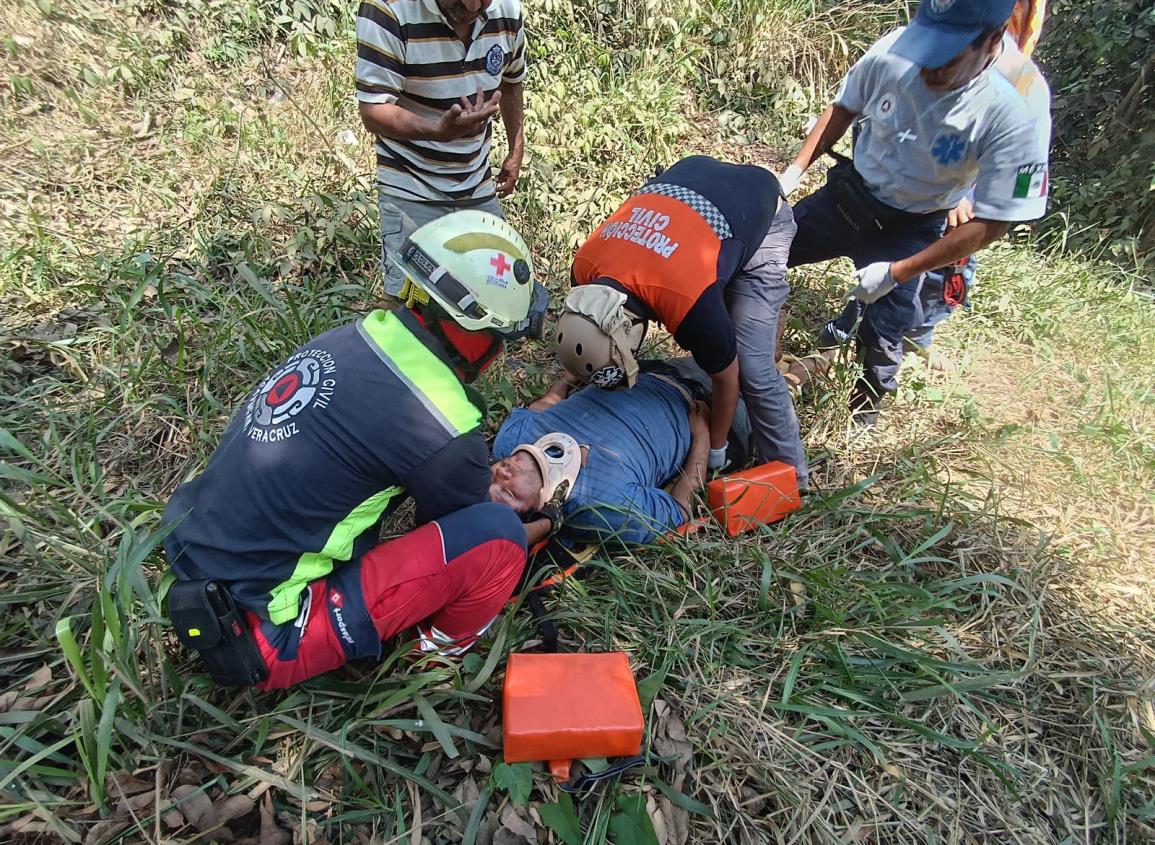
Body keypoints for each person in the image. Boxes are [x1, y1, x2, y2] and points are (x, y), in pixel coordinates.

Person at [162, 212, 555, 690]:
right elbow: (461, 531)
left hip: (191, 559)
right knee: (498, 540)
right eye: (505, 341)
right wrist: (539, 524)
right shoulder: (445, 422)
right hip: (266, 631)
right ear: (478, 337)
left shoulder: (355, 337)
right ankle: (430, 663)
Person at [779, 0, 1049, 426]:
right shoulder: (893, 50)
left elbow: (996, 219)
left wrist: (898, 271)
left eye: (947, 55)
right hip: (849, 197)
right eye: (925, 46)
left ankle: (861, 416)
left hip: (913, 223)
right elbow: (845, 105)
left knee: (883, 334)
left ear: (991, 41)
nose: (928, 66)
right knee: (765, 252)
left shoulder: (1018, 103)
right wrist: (792, 175)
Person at [554, 155, 809, 489]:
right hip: (696, 183)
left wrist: (716, 449)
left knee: (752, 367)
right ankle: (762, 324)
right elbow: (586, 331)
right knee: (731, 323)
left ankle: (793, 477)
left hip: (761, 216)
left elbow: (726, 378)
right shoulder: (585, 268)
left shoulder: (687, 303)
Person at [907, 1, 1051, 356]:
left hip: (974, 175)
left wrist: (963, 197)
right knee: (896, 252)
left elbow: (1009, 198)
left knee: (951, 258)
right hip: (923, 171)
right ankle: (850, 331)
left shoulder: (1024, 87)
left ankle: (918, 335)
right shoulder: (921, 50)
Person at [355, 0, 527, 298]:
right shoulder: (389, 9)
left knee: (495, 297)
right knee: (407, 307)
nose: (472, 6)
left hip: (476, 183)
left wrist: (516, 150)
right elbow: (374, 110)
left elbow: (512, 81)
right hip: (411, 185)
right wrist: (437, 131)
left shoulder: (507, 10)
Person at [490, 359, 754, 544]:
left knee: (727, 343)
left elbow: (544, 404)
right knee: (757, 372)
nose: (502, 472)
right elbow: (680, 509)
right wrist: (702, 435)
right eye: (508, 491)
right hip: (706, 405)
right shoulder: (601, 510)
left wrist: (571, 376)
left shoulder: (508, 443)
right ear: (539, 509)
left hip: (647, 369)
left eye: (490, 478)